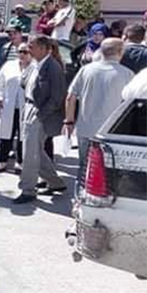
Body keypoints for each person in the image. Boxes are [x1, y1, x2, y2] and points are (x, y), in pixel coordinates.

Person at [64, 39, 132, 195]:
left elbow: (70, 97)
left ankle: (80, 197)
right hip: (111, 132)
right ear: (120, 52)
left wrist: (69, 120)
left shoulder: (86, 70)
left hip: (85, 128)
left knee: (83, 166)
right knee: (107, 170)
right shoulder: (127, 74)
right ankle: (101, 198)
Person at [14, 35, 68, 204]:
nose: (29, 49)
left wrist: (41, 114)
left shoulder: (53, 67)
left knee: (29, 152)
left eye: (33, 46)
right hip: (30, 107)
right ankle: (55, 182)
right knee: (34, 149)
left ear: (45, 49)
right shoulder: (34, 64)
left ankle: (28, 189)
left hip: (40, 112)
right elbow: (24, 83)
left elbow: (57, 97)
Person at [0, 43, 33, 174]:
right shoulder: (9, 66)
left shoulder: (34, 68)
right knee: (5, 135)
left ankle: (20, 162)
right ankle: (2, 162)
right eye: (20, 51)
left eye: (25, 52)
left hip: (26, 107)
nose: (22, 54)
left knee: (23, 136)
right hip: (8, 107)